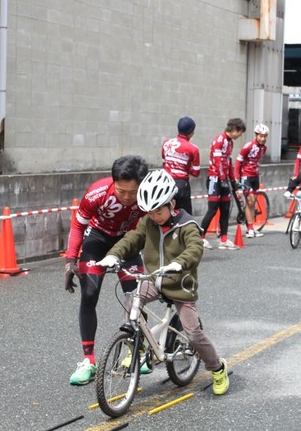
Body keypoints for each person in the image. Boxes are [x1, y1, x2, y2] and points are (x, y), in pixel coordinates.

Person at [96, 169, 230, 395]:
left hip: (180, 284)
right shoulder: (147, 223)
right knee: (132, 298)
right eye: (150, 211)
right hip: (155, 280)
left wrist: (180, 263)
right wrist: (113, 254)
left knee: (194, 333)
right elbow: (131, 240)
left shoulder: (187, 226)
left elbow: (195, 249)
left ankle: (217, 368)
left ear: (172, 204)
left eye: (159, 210)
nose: (154, 216)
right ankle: (136, 344)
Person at [63, 155, 149, 385]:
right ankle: (89, 361)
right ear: (113, 183)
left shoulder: (147, 193)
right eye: (122, 191)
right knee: (89, 294)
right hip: (98, 239)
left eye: (133, 192)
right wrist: (71, 259)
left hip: (128, 241)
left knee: (136, 295)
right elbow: (78, 224)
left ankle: (136, 351)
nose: (127, 197)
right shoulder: (98, 192)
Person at [199, 118, 247, 250]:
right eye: (240, 132)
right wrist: (222, 178)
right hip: (215, 178)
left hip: (224, 179)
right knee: (213, 209)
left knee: (225, 209)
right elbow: (218, 162)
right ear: (235, 129)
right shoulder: (219, 140)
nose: (240, 135)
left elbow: (229, 163)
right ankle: (200, 238)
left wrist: (232, 179)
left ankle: (224, 239)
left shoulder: (230, 143)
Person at [235, 123, 269, 238]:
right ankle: (249, 228)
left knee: (253, 201)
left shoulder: (264, 148)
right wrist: (236, 176)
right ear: (256, 135)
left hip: (255, 176)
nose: (262, 138)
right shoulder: (248, 146)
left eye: (265, 136)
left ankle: (252, 227)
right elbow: (238, 161)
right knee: (249, 201)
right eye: (260, 136)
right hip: (246, 176)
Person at [162, 116, 201, 215]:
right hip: (181, 184)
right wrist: (186, 168)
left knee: (167, 213)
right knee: (185, 216)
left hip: (166, 182)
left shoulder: (166, 143)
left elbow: (164, 162)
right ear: (191, 132)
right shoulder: (193, 148)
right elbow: (196, 172)